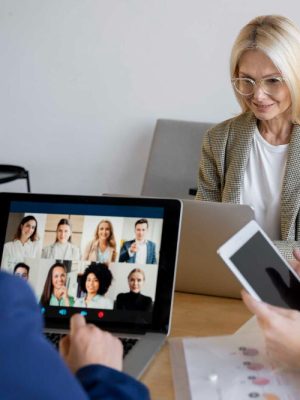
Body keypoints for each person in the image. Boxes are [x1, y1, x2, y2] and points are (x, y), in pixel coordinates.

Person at [196, 15, 300, 260]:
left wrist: (246, 254)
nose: (258, 96)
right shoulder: (218, 140)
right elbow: (202, 229)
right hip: (227, 280)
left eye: (273, 80)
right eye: (247, 81)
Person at [0, 271, 150, 399]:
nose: (91, 283)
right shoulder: (15, 293)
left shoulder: (107, 302)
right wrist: (103, 379)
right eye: (89, 279)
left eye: (96, 280)